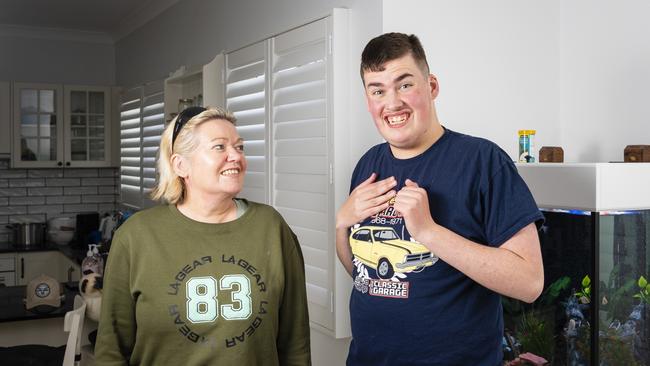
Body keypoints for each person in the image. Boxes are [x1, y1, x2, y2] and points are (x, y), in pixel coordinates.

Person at [335, 33, 545, 365]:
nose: (392, 104)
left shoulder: (483, 161)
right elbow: (363, 272)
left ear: (431, 86)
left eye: (404, 85)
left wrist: (429, 232)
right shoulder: (368, 164)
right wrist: (341, 223)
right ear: (368, 100)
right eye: (378, 90)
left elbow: (529, 282)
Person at [95, 107, 311, 365]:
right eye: (220, 147)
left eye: (239, 147)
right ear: (180, 164)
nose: (236, 156)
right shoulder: (135, 236)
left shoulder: (272, 227)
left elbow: (295, 342)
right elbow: (111, 350)